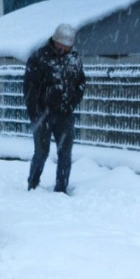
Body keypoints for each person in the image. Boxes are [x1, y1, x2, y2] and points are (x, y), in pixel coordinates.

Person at [23, 23, 87, 193]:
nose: (64, 49)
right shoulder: (39, 58)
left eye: (68, 46)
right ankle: (33, 185)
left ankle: (61, 188)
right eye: (62, 45)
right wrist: (35, 114)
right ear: (55, 41)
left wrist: (73, 101)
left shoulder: (74, 58)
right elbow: (30, 89)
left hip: (65, 114)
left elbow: (81, 82)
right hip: (42, 114)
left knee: (65, 154)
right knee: (42, 152)